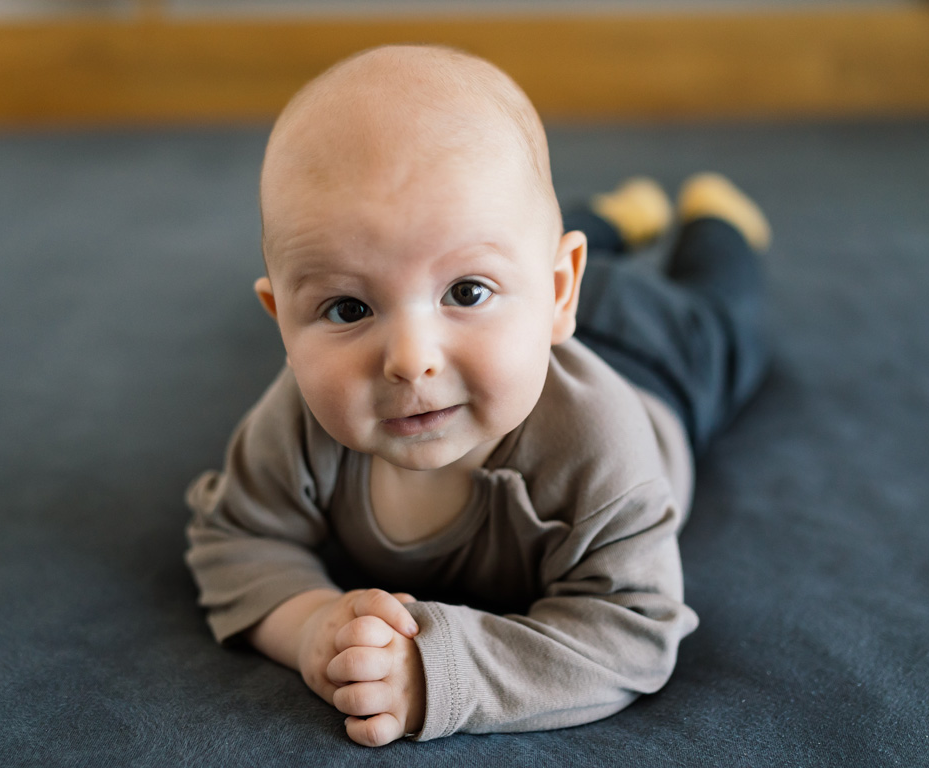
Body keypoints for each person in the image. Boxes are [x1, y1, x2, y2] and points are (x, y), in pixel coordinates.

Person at [185, 43, 771, 748]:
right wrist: (310, 625)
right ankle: (599, 224)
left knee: (725, 324)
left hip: (654, 358)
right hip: (516, 305)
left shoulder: (599, 445)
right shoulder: (297, 423)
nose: (411, 361)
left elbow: (632, 631)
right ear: (282, 322)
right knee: (475, 233)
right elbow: (235, 537)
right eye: (348, 308)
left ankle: (718, 224)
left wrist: (437, 673)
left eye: (463, 292)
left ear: (559, 291)